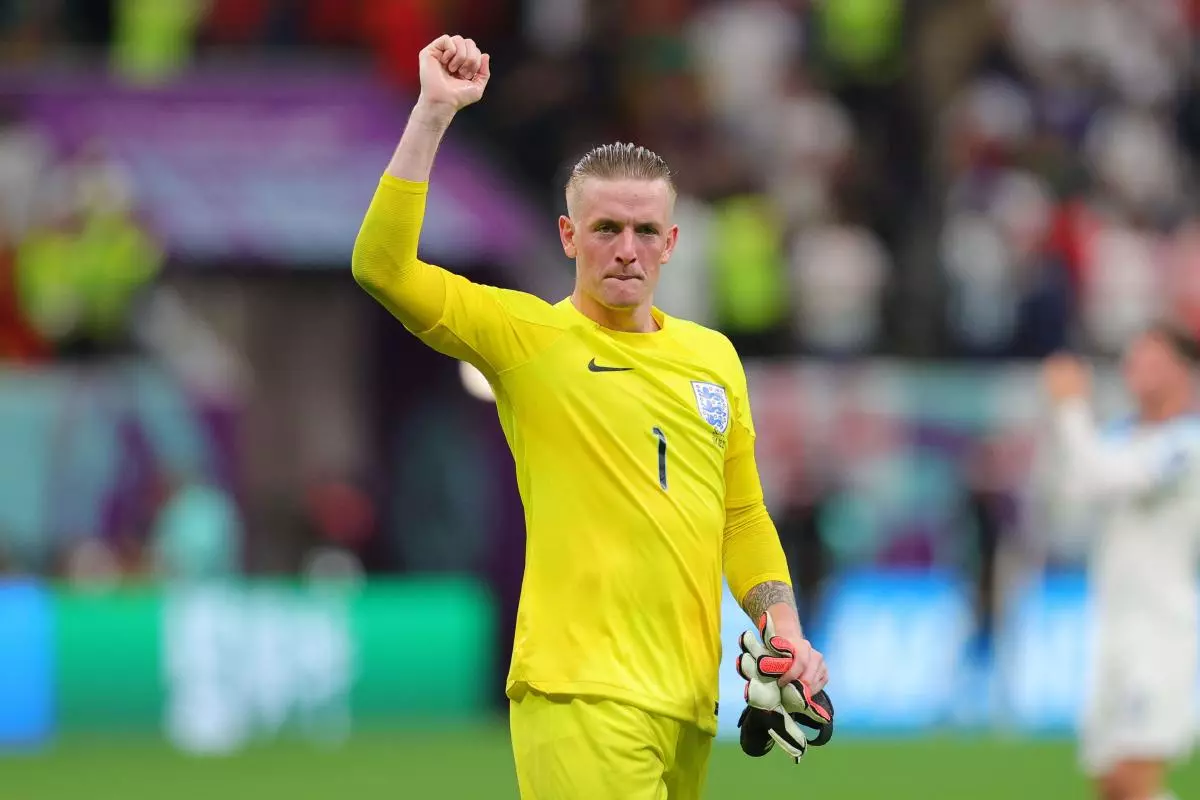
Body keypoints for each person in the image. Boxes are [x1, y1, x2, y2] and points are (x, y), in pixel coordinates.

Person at [353, 33, 827, 799]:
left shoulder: (713, 360)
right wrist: (433, 113)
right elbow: (382, 267)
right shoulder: (529, 339)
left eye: (645, 231)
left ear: (672, 243)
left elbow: (740, 517)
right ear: (569, 235)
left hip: (687, 706)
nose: (627, 250)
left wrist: (782, 627)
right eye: (606, 229)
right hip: (579, 696)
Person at [1042, 324, 1200, 800]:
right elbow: (1069, 495)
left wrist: (1070, 406)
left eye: (1152, 359)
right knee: (1110, 785)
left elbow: (1102, 476)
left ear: (1183, 370)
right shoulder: (1119, 435)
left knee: (1136, 780)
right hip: (1111, 627)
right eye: (1133, 359)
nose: (1137, 370)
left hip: (1161, 631)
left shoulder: (1186, 443)